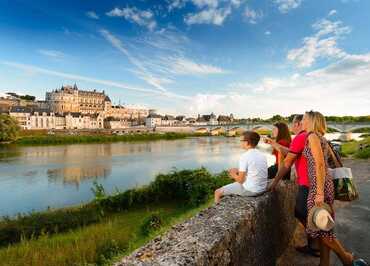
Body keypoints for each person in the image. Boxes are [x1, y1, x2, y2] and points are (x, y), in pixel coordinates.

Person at [271, 111, 367, 266]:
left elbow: (320, 164)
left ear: (311, 121)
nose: (301, 121)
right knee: (322, 225)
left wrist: (320, 192)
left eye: (304, 119)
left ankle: (346, 257)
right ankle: (324, 262)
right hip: (320, 184)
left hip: (317, 185)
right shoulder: (319, 137)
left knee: (321, 227)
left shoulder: (312, 137)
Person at [267, 114, 320, 257]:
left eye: (302, 121)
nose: (300, 124)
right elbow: (292, 154)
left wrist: (274, 181)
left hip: (308, 183)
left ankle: (320, 241)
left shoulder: (301, 137)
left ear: (298, 124)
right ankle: (314, 244)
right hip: (311, 182)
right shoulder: (312, 136)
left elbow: (286, 163)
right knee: (308, 214)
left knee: (302, 213)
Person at [214, 131, 267, 203]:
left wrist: (233, 175)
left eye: (241, 140)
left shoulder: (245, 156)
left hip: (251, 190)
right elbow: (254, 170)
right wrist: (239, 171)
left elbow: (241, 180)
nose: (240, 142)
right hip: (262, 188)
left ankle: (218, 212)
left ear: (247, 142)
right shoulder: (262, 155)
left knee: (217, 192)